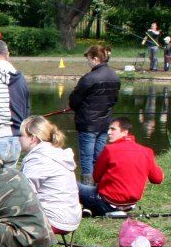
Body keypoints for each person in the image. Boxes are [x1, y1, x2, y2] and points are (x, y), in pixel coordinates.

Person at [78, 117, 165, 217]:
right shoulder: (147, 151)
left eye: (113, 129)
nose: (108, 132)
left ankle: (87, 209)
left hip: (107, 203)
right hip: (130, 205)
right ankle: (89, 209)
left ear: (125, 132)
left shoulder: (109, 150)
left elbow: (96, 177)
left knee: (72, 184)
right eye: (109, 129)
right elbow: (158, 179)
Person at [18, 115, 81, 236]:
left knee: (0, 221)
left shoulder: (39, 158)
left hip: (55, 221)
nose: (18, 139)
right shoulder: (55, 153)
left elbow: (24, 195)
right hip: (72, 217)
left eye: (21, 135)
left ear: (32, 138)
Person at [68, 44, 120, 184]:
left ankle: (87, 191)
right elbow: (114, 100)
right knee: (100, 158)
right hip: (104, 123)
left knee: (86, 159)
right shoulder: (114, 76)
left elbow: (74, 101)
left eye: (89, 59)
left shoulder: (89, 78)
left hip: (88, 124)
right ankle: (101, 186)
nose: (88, 62)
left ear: (96, 59)